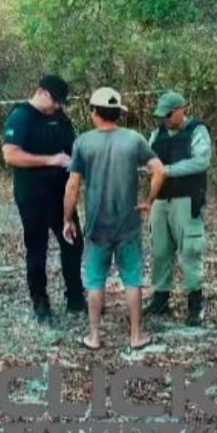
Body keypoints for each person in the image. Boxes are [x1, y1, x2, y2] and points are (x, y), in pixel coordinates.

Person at [62, 87, 165, 351]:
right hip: (127, 223)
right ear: (118, 114)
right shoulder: (134, 139)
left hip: (97, 225)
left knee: (95, 281)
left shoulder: (83, 143)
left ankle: (94, 337)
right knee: (132, 279)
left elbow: (72, 186)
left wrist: (67, 219)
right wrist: (149, 200)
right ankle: (136, 336)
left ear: (95, 113)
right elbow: (159, 170)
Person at [2, 74, 86, 324]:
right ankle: (40, 300)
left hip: (61, 194)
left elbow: (73, 150)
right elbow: (11, 155)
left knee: (73, 242)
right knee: (37, 247)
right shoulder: (21, 116)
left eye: (62, 103)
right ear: (42, 93)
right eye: (56, 101)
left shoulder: (61, 119)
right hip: (32, 194)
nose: (59, 106)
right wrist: (51, 160)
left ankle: (75, 297)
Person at [142, 91, 213, 326]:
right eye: (163, 116)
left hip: (187, 200)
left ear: (183, 109)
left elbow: (201, 161)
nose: (166, 120)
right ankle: (161, 298)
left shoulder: (197, 131)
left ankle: (196, 302)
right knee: (160, 250)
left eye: (169, 115)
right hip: (161, 201)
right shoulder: (157, 134)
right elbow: (147, 158)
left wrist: (167, 170)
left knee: (190, 252)